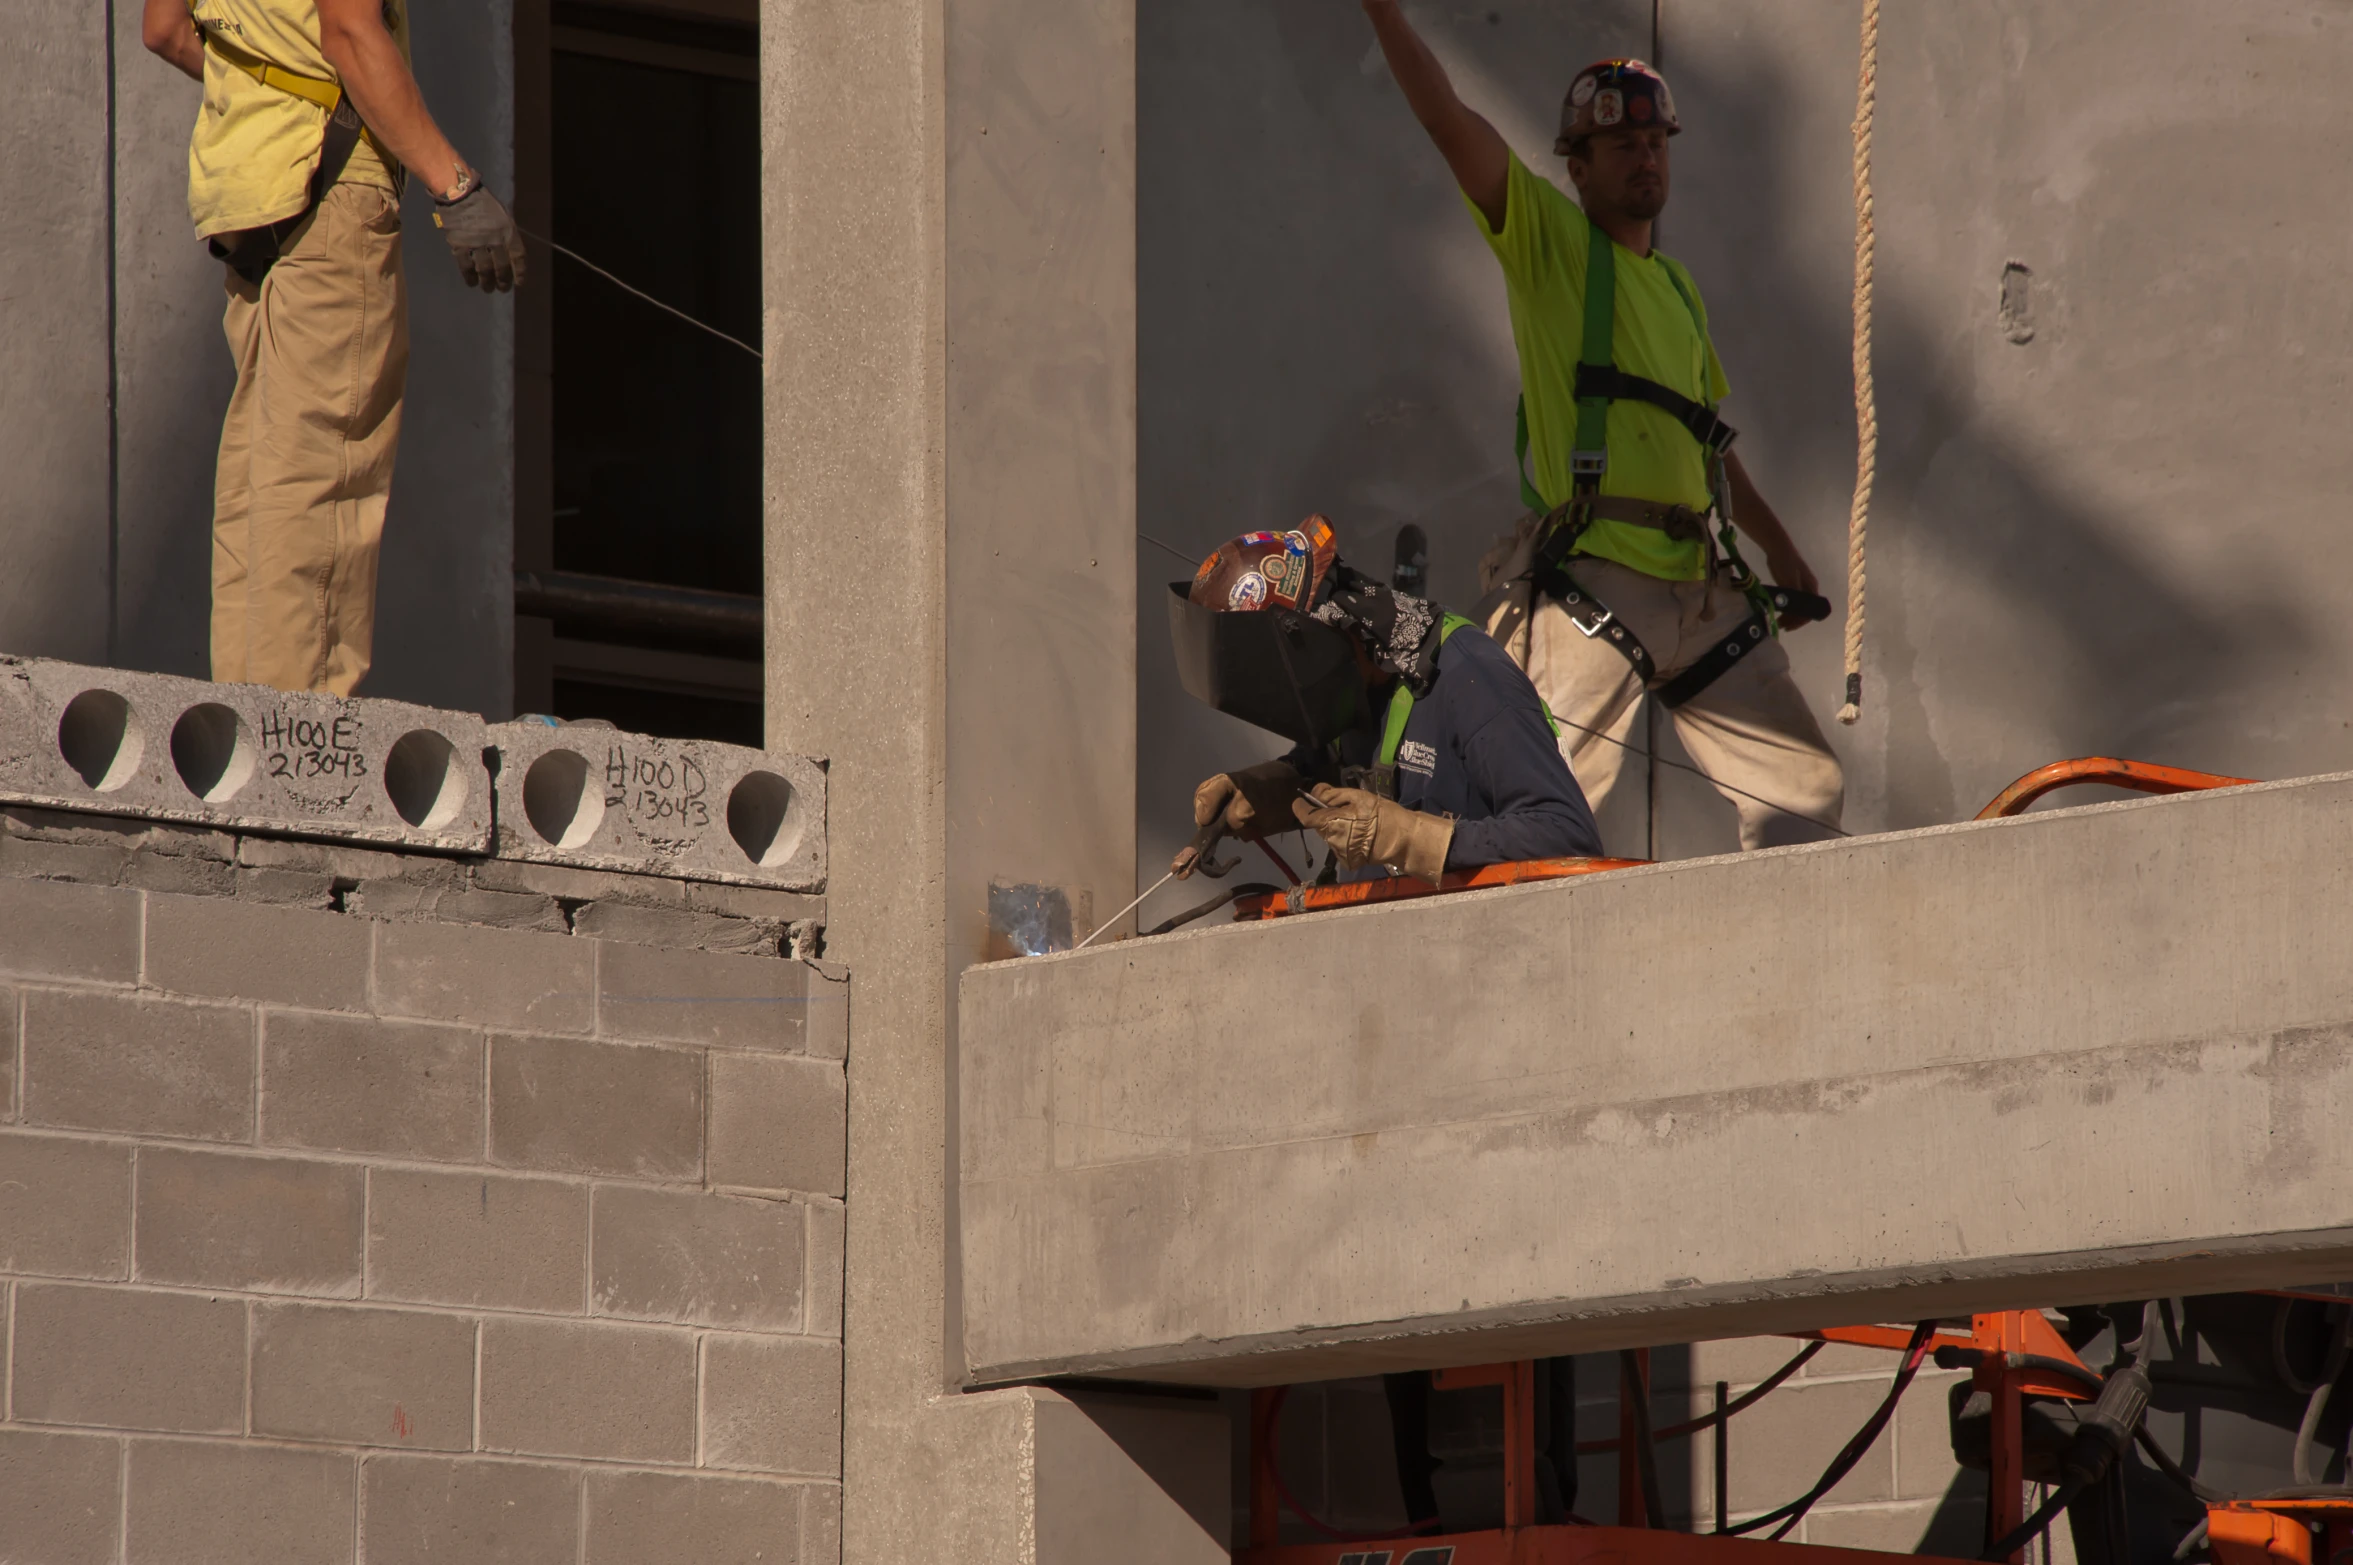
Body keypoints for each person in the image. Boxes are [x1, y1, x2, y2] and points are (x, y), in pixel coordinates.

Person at [1359, 4, 1845, 850]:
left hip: (1699, 587)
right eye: (1622, 145)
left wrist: (1778, 547)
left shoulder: (1678, 289)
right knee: (1539, 803)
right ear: (1577, 170)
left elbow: (1709, 447)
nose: (1646, 158)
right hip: (1598, 586)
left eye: (1656, 143)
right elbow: (1445, 118)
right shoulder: (1549, 247)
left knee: (1803, 793)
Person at [144, 0, 527, 695]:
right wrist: (457, 187)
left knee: (263, 484)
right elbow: (350, 29)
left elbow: (165, 30)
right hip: (328, 183)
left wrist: (267, 87)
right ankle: (301, 742)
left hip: (251, 193)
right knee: (323, 475)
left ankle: (248, 725)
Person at [1169, 515, 1602, 883]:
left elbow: (1566, 833)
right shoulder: (1351, 691)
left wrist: (1410, 838)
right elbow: (1337, 768)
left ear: (1322, 640)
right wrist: (1274, 790)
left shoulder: (1471, 677)